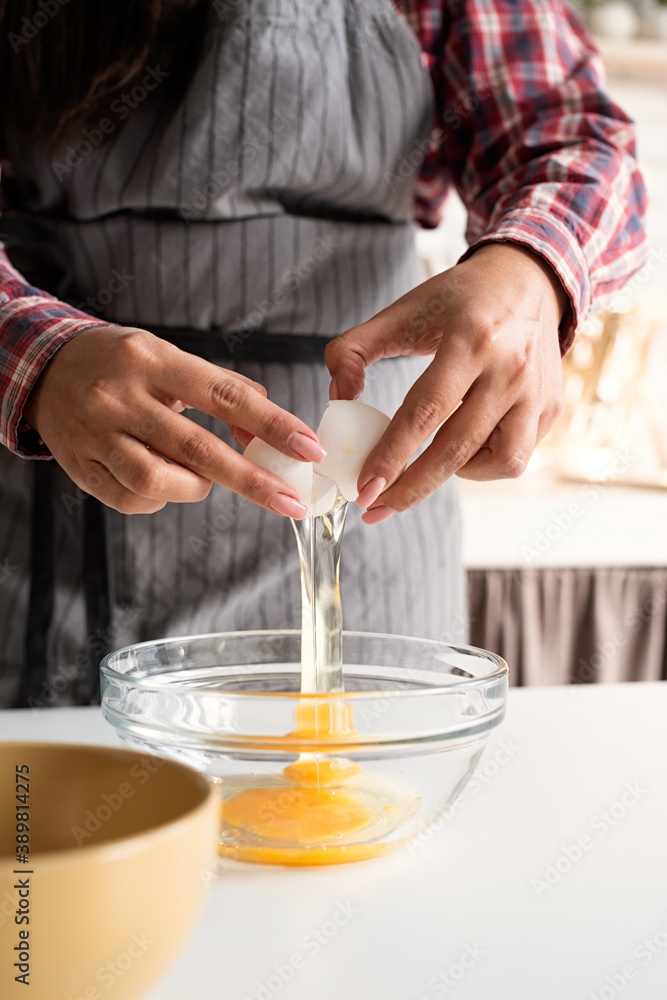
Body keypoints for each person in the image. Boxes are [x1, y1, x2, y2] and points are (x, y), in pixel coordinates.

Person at [0, 0, 646, 708]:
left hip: (375, 529)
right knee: (75, 809)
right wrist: (38, 354)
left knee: (365, 791)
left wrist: (531, 269)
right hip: (65, 511)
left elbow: (569, 135)